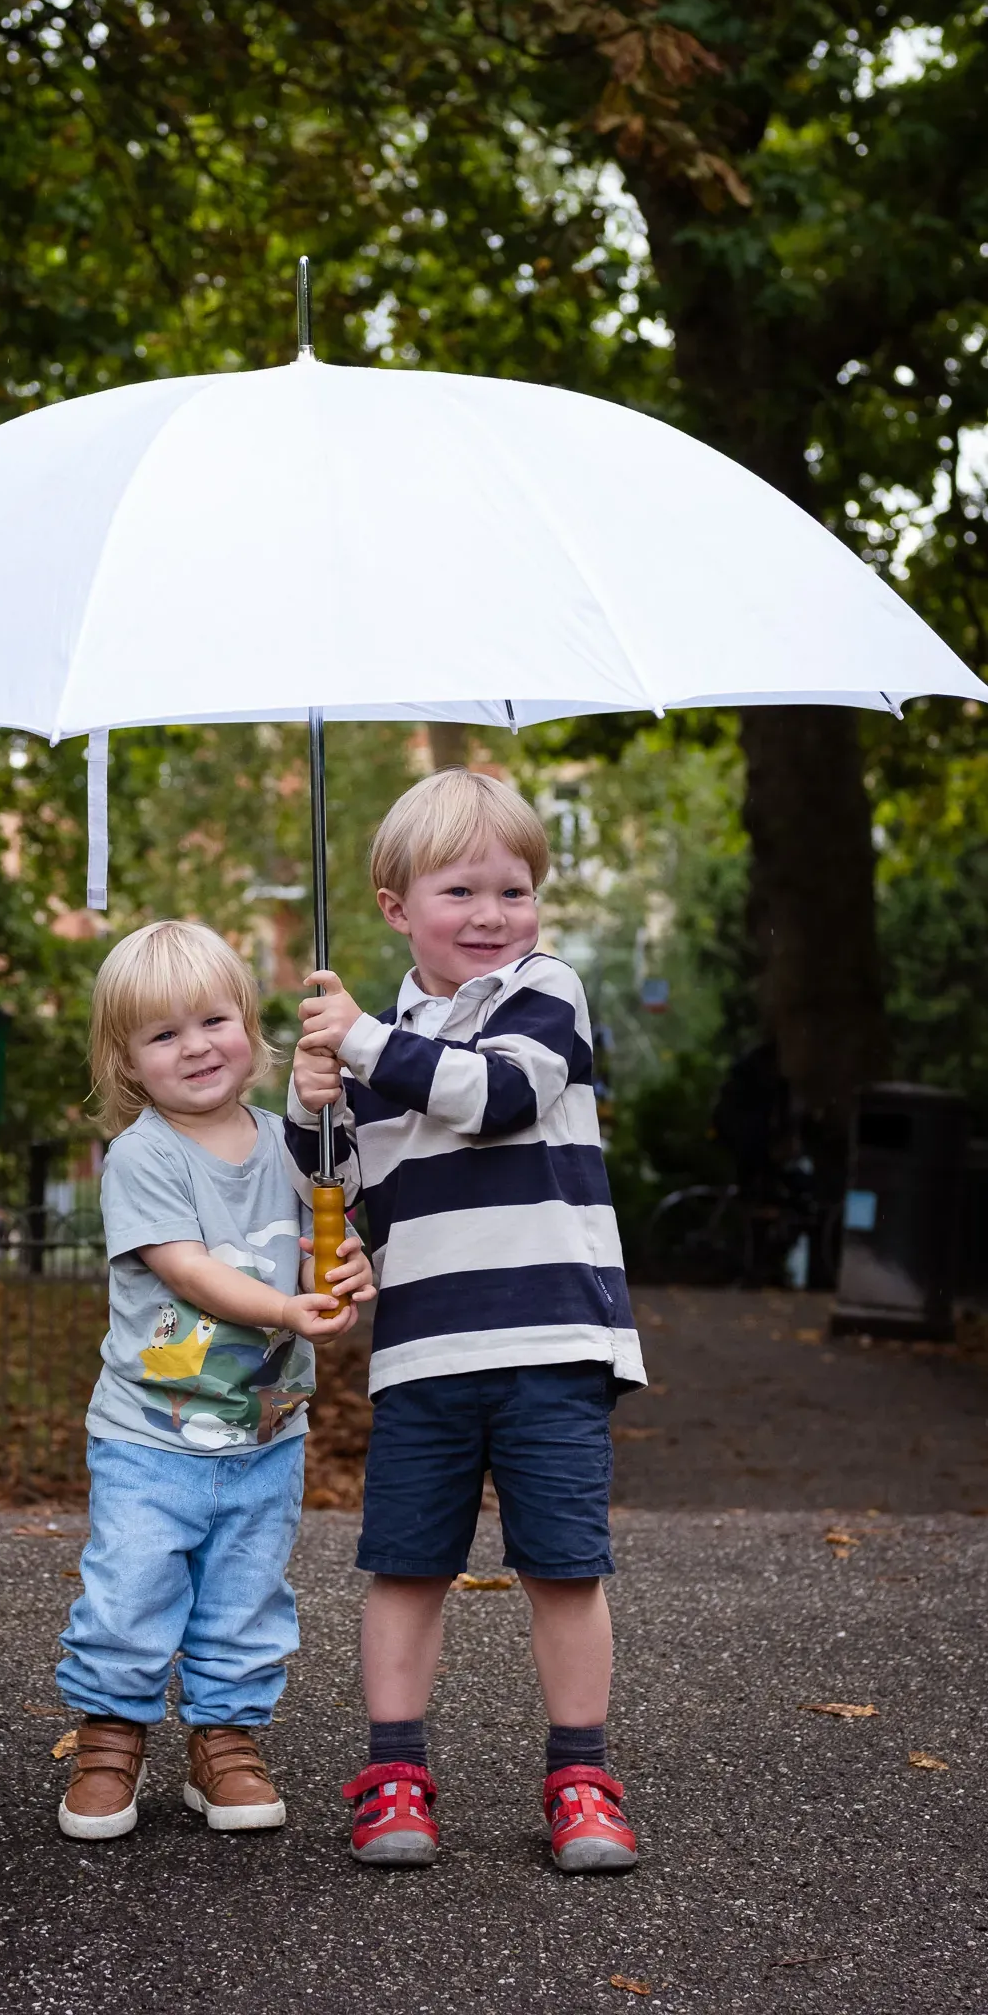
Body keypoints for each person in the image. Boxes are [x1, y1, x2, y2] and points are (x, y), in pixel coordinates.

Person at [286, 769, 646, 1874]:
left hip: (551, 1337)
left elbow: (497, 1097)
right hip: (428, 1349)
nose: (493, 915)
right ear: (397, 907)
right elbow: (363, 1194)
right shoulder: (378, 1040)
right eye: (461, 892)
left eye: (516, 889)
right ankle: (395, 1769)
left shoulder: (548, 994)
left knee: (563, 1566)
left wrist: (362, 1047)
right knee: (405, 1563)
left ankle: (580, 1772)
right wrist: (314, 1112)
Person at [56, 919, 374, 1841]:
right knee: (130, 1590)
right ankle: (111, 1737)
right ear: (126, 1060)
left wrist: (347, 1265)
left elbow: (327, 1247)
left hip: (266, 1433)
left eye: (212, 1021)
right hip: (151, 1436)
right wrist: (283, 1311)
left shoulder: (293, 1145)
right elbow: (188, 1268)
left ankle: (225, 1742)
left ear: (250, 1026)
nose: (195, 1047)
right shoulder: (143, 1155)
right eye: (162, 1035)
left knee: (245, 1593)